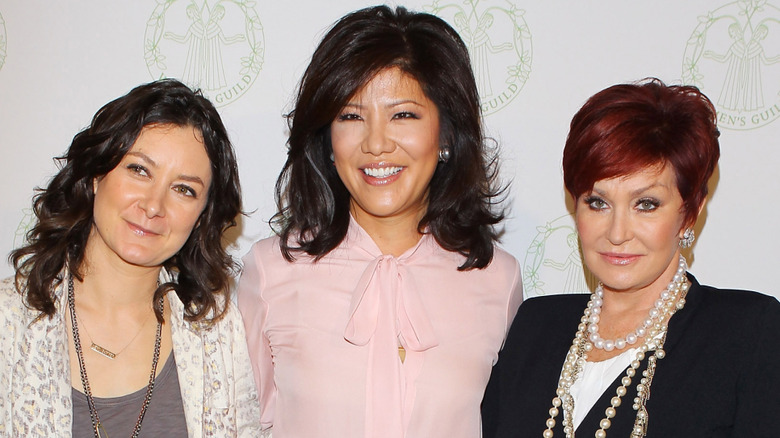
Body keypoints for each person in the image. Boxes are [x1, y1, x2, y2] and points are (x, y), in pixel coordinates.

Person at [237, 5, 522, 438]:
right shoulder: (270, 271)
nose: (376, 143)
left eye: (403, 115)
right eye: (351, 116)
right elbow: (242, 425)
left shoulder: (498, 279)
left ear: (445, 133)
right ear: (328, 140)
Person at [481, 79, 780, 437]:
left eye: (646, 204)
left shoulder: (746, 332)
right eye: (598, 202)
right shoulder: (536, 326)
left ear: (689, 213)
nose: (618, 232)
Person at [0, 79, 261, 437]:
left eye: (183, 189)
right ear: (96, 174)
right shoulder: (9, 322)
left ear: (202, 215)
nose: (154, 205)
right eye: (139, 170)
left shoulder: (216, 331)